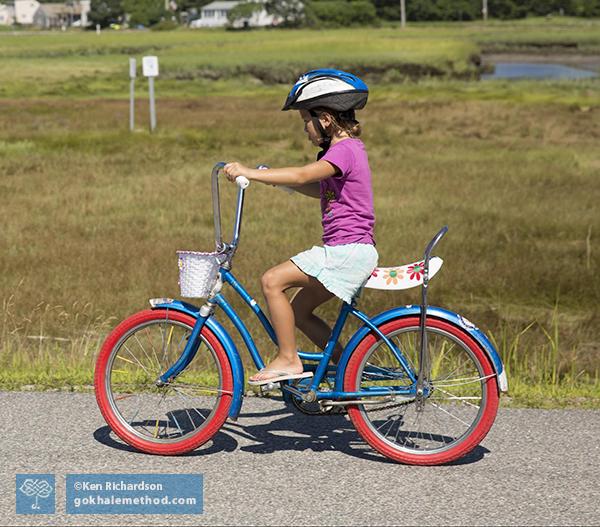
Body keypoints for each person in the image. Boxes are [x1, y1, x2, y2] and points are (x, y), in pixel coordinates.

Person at [223, 69, 378, 385]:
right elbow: (318, 189)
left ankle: (288, 360)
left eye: (305, 121)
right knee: (300, 313)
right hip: (350, 251)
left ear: (324, 119)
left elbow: (302, 175)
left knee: (271, 281)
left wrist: (250, 172)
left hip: (347, 252)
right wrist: (274, 183)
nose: (305, 130)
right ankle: (349, 372)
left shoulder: (345, 150)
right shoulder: (345, 151)